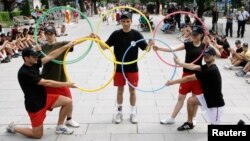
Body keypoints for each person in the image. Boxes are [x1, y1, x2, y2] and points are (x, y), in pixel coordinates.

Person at [6, 44, 77, 138]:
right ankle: (14, 128)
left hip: (44, 98)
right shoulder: (24, 73)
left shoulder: (34, 63)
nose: (36, 58)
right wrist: (66, 84)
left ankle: (60, 126)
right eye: (34, 56)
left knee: (68, 101)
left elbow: (51, 56)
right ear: (26, 58)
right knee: (37, 135)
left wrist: (67, 46)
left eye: (36, 56)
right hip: (35, 105)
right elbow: (47, 83)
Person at [95, 12, 153, 124]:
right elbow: (104, 47)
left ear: (131, 21)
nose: (126, 24)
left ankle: (133, 113)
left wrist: (150, 44)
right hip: (118, 68)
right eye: (123, 21)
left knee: (132, 91)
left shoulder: (136, 34)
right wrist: (97, 39)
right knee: (120, 91)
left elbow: (145, 49)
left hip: (132, 68)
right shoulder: (116, 34)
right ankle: (119, 112)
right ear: (120, 22)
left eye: (128, 21)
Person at [153, 25, 205, 125]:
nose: (193, 36)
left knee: (195, 99)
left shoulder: (204, 46)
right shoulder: (187, 44)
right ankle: (172, 118)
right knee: (181, 98)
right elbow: (172, 48)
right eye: (192, 34)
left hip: (198, 76)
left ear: (201, 35)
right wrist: (158, 48)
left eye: (196, 34)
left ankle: (193, 118)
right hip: (186, 74)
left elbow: (215, 55)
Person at [40, 26, 91, 128]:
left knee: (69, 99)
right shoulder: (42, 47)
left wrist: (88, 37)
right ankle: (38, 122)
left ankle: (69, 119)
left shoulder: (61, 44)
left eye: (51, 34)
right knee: (43, 103)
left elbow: (75, 42)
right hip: (47, 78)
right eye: (47, 34)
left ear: (55, 35)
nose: (49, 36)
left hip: (61, 77)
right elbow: (38, 60)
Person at [166, 46, 225, 131]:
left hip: (215, 104)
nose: (205, 57)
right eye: (204, 55)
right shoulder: (208, 67)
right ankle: (189, 123)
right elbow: (194, 67)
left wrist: (172, 82)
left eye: (208, 55)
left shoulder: (211, 71)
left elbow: (189, 78)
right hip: (207, 98)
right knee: (191, 100)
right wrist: (180, 63)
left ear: (214, 56)